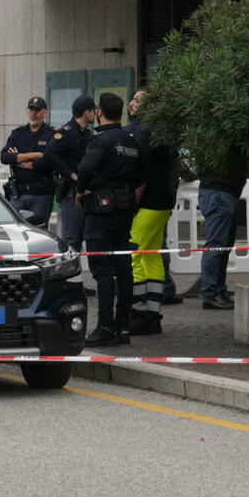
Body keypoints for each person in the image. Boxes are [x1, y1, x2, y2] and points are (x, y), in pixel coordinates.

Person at [75, 93, 145, 347]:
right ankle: (122, 326)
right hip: (124, 209)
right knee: (123, 269)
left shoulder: (100, 141)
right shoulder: (131, 142)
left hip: (101, 211)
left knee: (102, 270)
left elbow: (85, 169)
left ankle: (105, 326)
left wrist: (81, 191)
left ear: (100, 113)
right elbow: (139, 177)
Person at [124, 88, 177, 335]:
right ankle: (153, 313)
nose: (132, 103)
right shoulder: (162, 131)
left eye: (138, 100)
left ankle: (138, 311)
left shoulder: (141, 132)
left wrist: (133, 202)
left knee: (134, 254)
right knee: (151, 254)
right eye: (133, 99)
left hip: (147, 201)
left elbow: (140, 171)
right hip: (163, 199)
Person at [44, 95, 96, 251]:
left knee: (80, 238)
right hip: (70, 191)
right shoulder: (66, 132)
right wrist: (71, 175)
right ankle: (64, 274)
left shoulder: (86, 134)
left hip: (84, 191)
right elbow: (50, 154)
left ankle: (75, 274)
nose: (95, 114)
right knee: (70, 238)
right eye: (93, 111)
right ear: (87, 113)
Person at [198, 157, 247, 310]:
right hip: (220, 191)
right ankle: (211, 293)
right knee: (217, 246)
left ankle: (217, 289)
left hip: (224, 192)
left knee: (223, 246)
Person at [0, 96, 56, 227]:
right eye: (31, 109)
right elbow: (5, 157)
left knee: (39, 232)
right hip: (18, 194)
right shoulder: (17, 134)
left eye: (37, 110)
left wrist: (19, 159)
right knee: (14, 229)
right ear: (27, 111)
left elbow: (49, 161)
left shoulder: (51, 134)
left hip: (41, 194)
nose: (33, 113)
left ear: (45, 112)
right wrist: (35, 155)